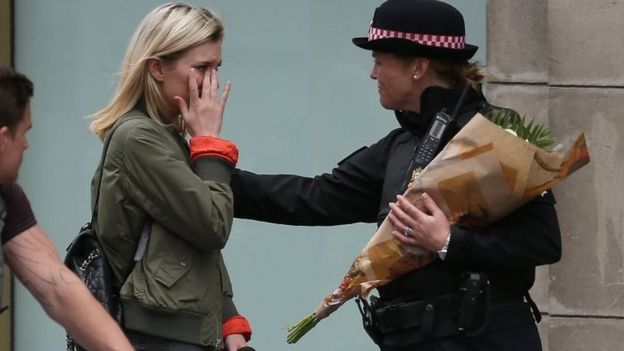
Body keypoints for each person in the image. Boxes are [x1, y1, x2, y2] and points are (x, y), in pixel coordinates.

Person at [230, 0, 561, 350]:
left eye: (379, 61)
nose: (373, 74)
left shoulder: (494, 137)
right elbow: (316, 197)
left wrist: (449, 242)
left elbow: (543, 241)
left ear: (418, 66)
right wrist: (209, 178)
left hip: (479, 339)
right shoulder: (400, 144)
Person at [88, 3, 252, 351]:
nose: (212, 81)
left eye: (216, 67)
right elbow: (212, 225)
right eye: (202, 68)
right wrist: (209, 143)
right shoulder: (139, 137)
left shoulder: (166, 134)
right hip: (160, 336)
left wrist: (229, 319)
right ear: (157, 68)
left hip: (185, 331)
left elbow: (189, 242)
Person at [0, 66, 134, 350]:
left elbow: (58, 288)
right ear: (2, 139)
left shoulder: (7, 199)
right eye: (24, 133)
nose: (26, 145)